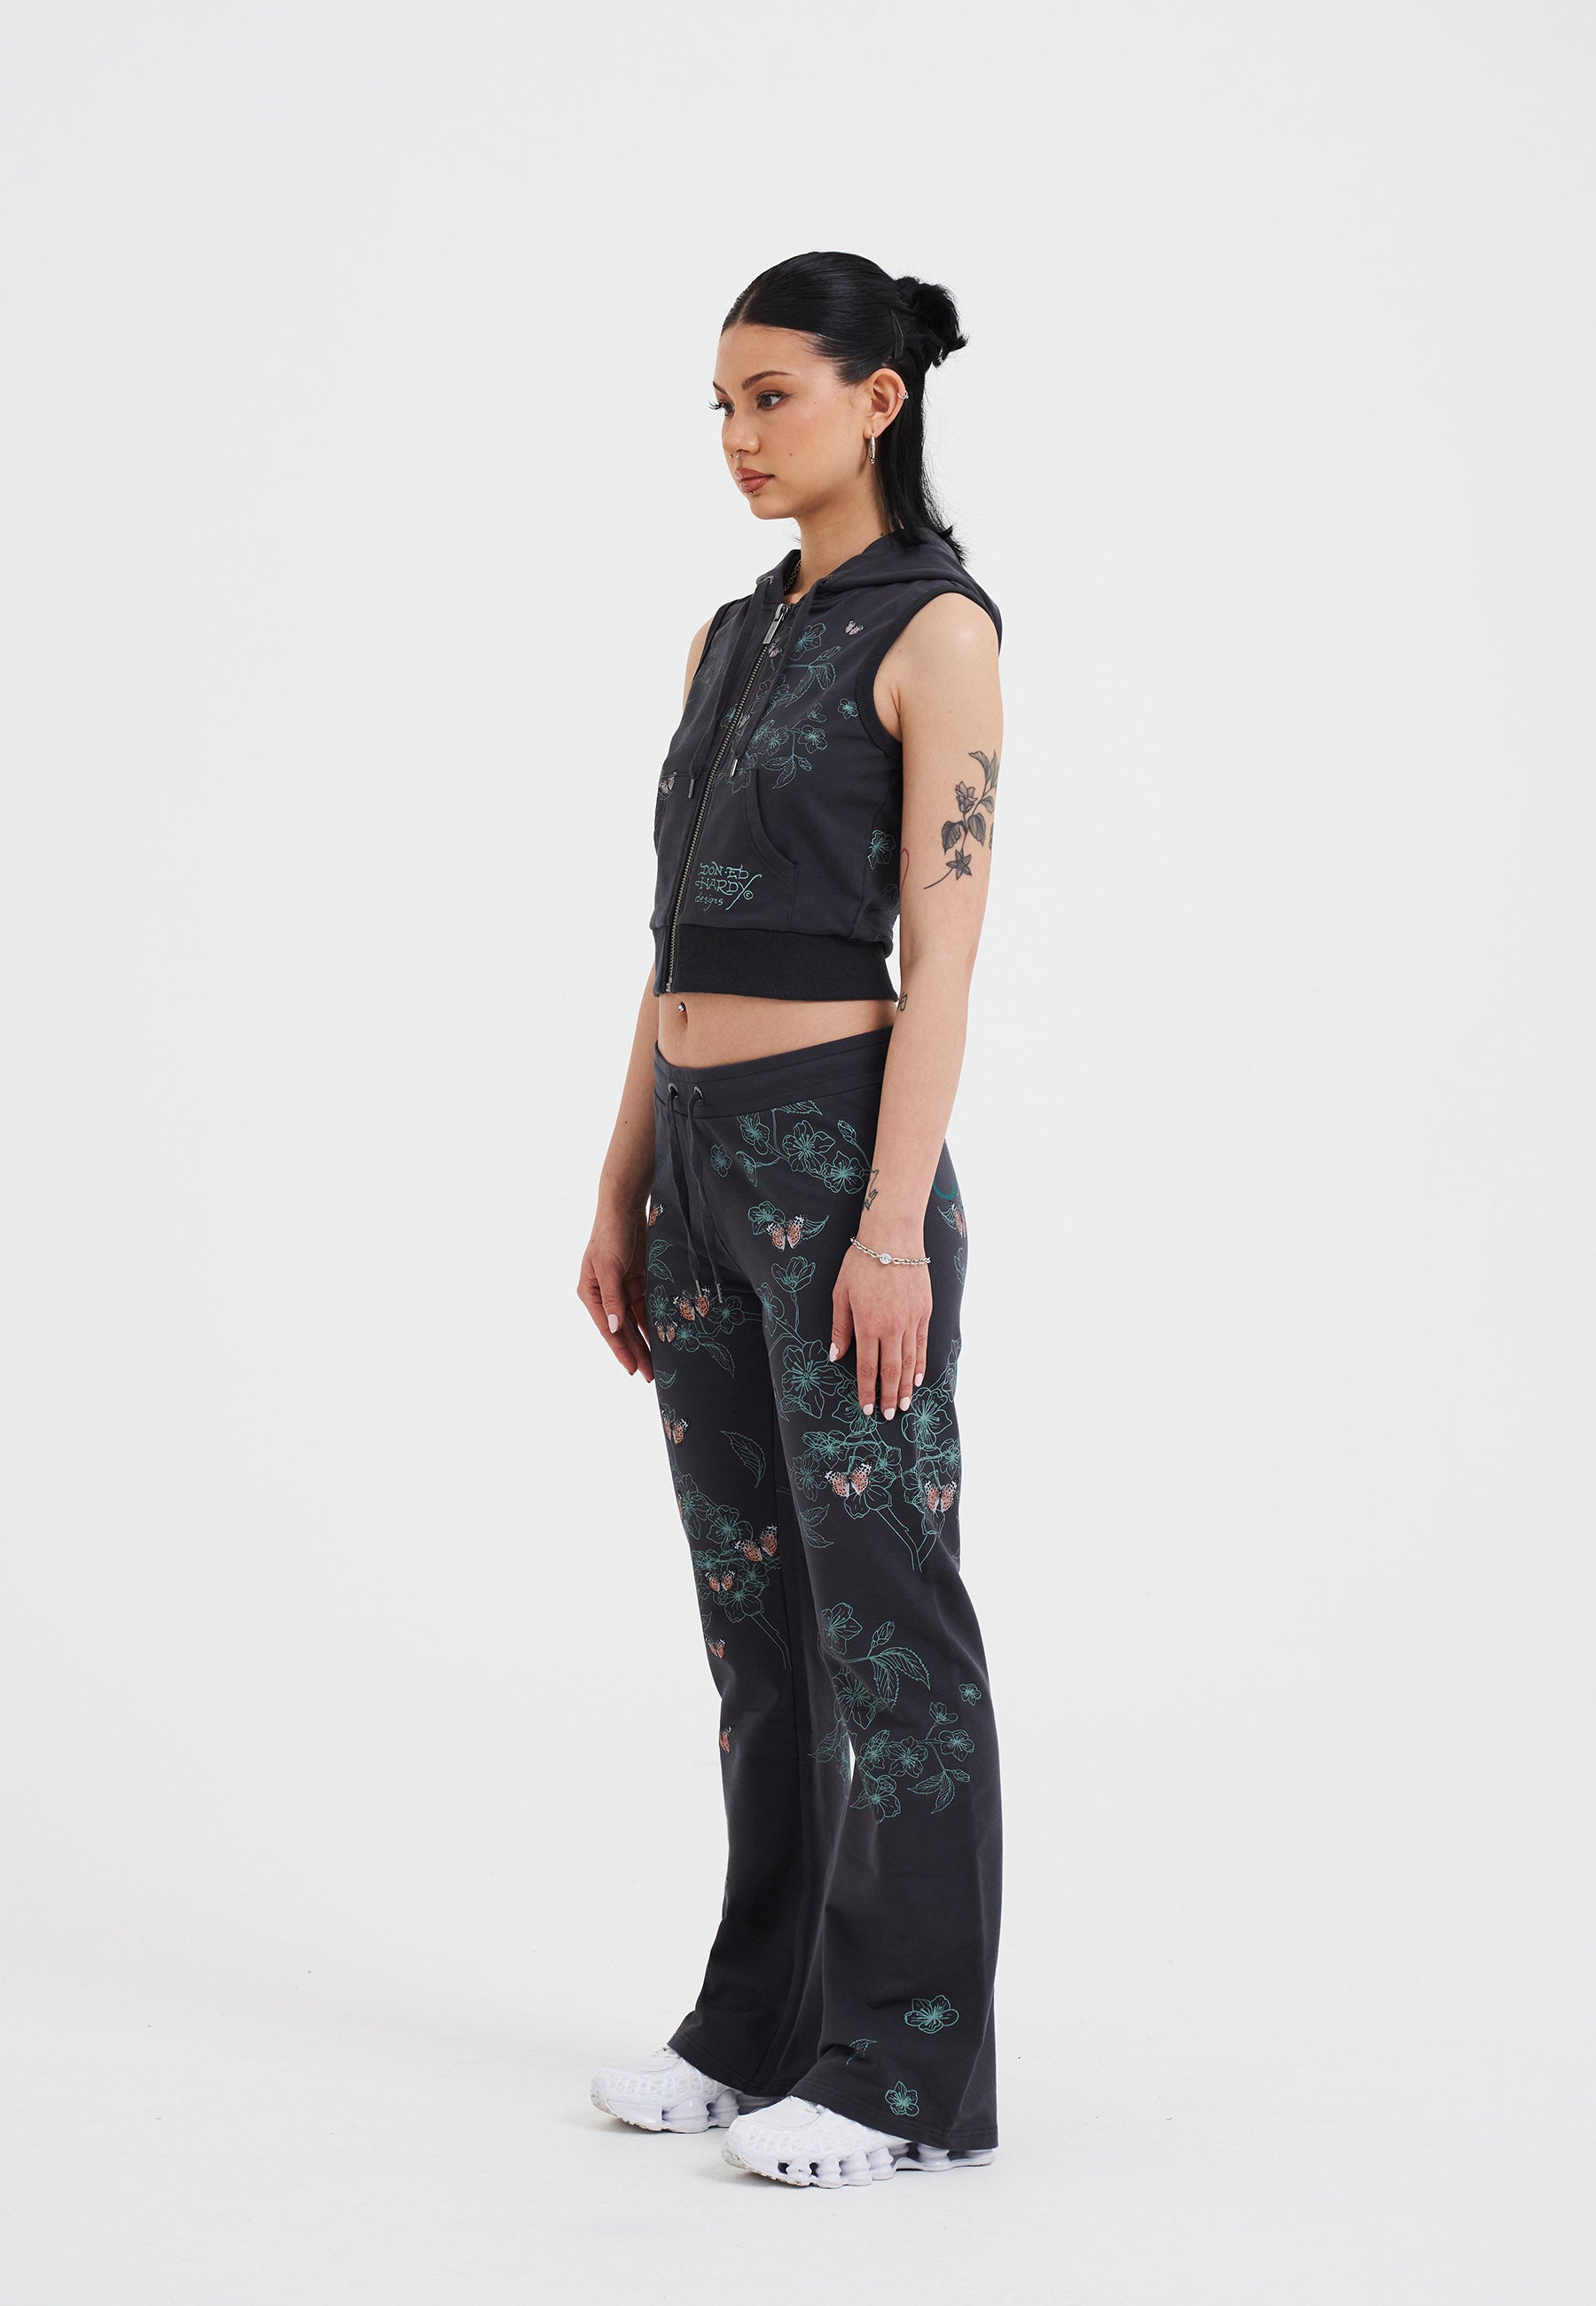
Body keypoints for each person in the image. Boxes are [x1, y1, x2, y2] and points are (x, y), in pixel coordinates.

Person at [576, 250, 1005, 2191]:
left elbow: (947, 954)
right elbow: (672, 937)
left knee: (886, 1619)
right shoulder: (731, 635)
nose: (742, 437)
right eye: (725, 406)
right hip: (695, 1165)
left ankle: (906, 2074)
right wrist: (623, 1178)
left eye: (776, 397)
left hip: (841, 1166)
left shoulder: (940, 630)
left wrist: (890, 1225)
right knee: (757, 1621)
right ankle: (758, 2023)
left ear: (877, 399)